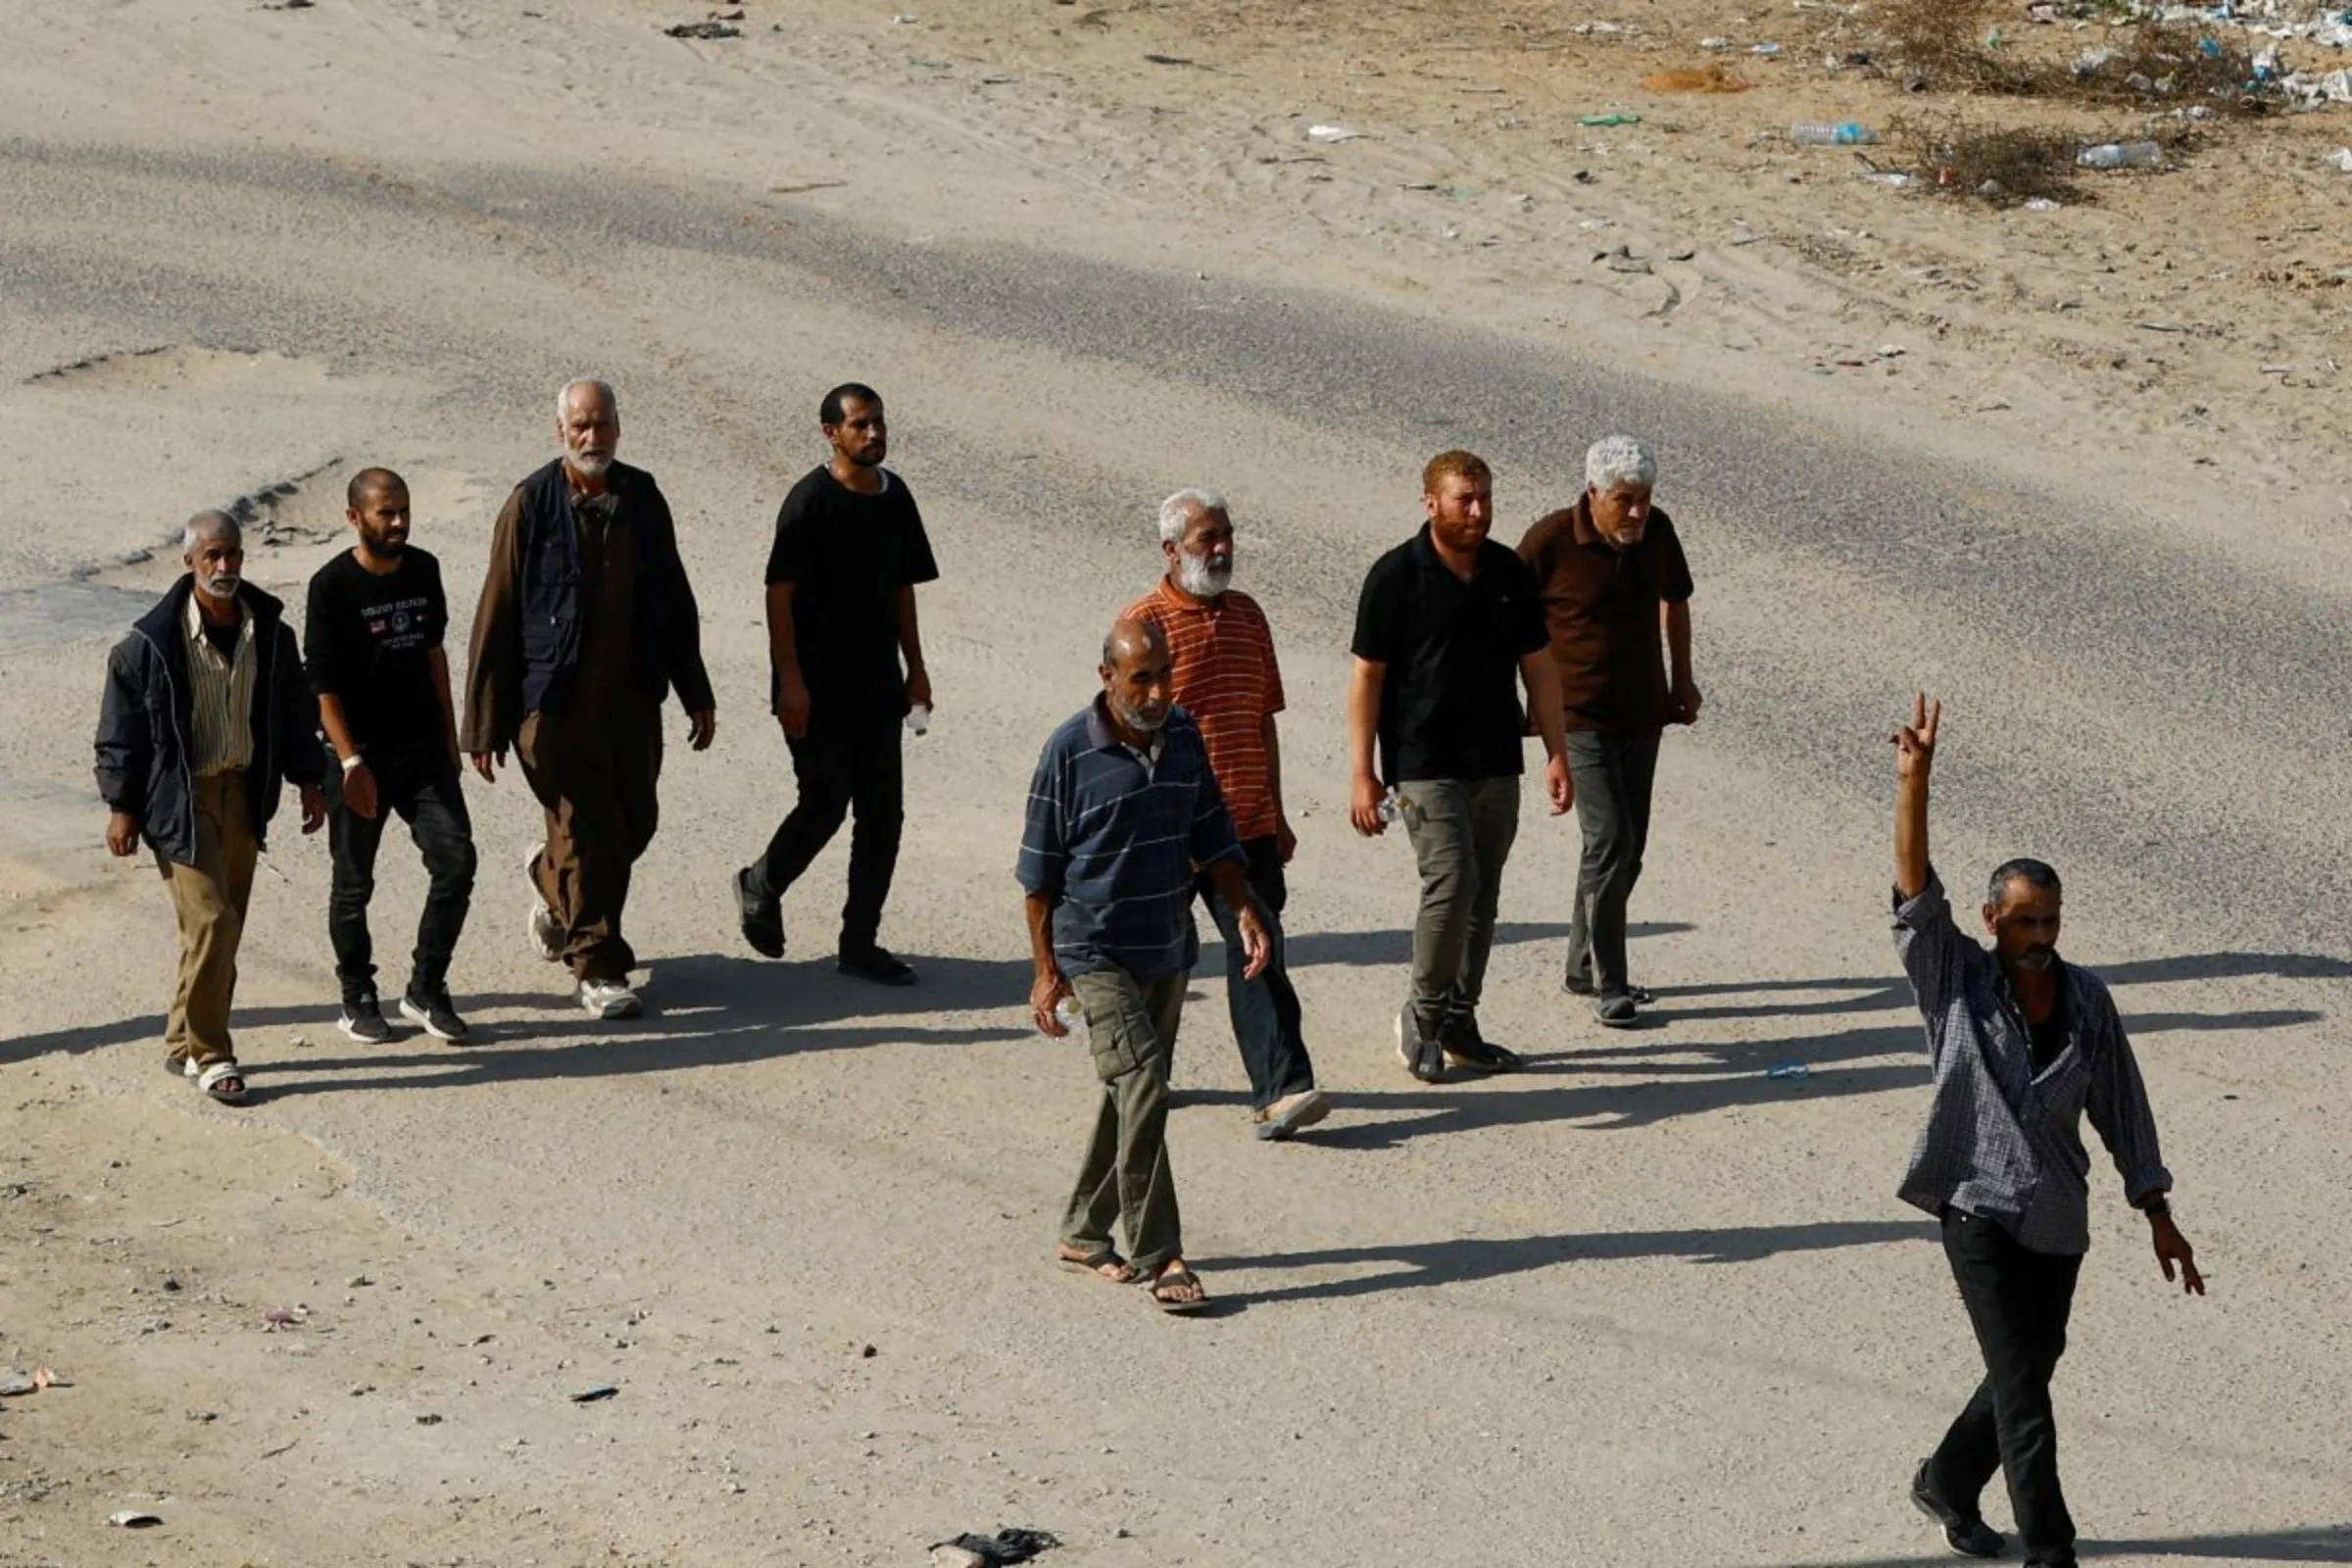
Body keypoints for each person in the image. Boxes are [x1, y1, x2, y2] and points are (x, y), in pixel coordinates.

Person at [1890, 694, 2203, 1568]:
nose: (2038, 936)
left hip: (2059, 1217)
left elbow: (2123, 1108)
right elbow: (1915, 896)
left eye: (2051, 920)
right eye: (2023, 920)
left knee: (2031, 1363)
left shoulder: (2088, 1001)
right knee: (2026, 1390)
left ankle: (1947, 1481)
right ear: (1991, 921)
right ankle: (2050, 1550)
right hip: (1977, 1208)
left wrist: (2158, 1211)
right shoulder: (1954, 979)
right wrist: (1913, 782)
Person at [1018, 619, 1273, 1314]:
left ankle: (1081, 1229)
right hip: (1094, 952)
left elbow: (1213, 831)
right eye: (1141, 678)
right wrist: (1046, 971)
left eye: (1164, 675)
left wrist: (1244, 910)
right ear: (1107, 676)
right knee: (1146, 1084)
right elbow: (1038, 879)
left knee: (1127, 1091)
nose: (1158, 691)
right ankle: (1162, 1254)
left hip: (1166, 945)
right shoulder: (1069, 752)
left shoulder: (1184, 736)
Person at [462, 379, 717, 1020]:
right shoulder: (531, 504)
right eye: (580, 425)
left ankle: (552, 881)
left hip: (632, 697)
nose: (591, 436)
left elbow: (674, 597)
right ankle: (598, 967)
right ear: (560, 432)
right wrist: (483, 722)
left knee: (633, 822)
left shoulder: (642, 498)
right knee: (585, 829)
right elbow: (496, 612)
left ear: (618, 430)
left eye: (601, 424)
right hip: (551, 703)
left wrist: (696, 691)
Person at [1348, 451, 1571, 1084]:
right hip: (1422, 764)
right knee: (1452, 881)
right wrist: (1362, 772)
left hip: (1497, 759)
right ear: (1431, 503)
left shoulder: (1507, 572)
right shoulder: (1395, 577)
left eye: (1484, 498)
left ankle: (1458, 1021)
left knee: (1484, 895)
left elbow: (1539, 666)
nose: (1477, 511)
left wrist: (1556, 751)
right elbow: (1367, 676)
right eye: (1463, 500)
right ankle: (1420, 1016)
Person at [95, 511, 325, 1103]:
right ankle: (211, 1053)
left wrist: (309, 778)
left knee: (222, 930)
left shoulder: (270, 631)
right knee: (212, 922)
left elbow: (294, 711)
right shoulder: (149, 644)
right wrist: (122, 807)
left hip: (244, 793)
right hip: (180, 799)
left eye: (233, 556)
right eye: (212, 557)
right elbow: (121, 732)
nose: (224, 568)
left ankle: (180, 1038)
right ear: (189, 562)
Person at [1121, 487, 1327, 1140]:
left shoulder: (1248, 616)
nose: (1222, 548)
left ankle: (1281, 1089)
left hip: (1245, 824)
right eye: (1208, 537)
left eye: (1226, 534)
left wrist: (1276, 810)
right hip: (1168, 828)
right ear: (1171, 549)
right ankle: (1138, 1073)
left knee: (1257, 945)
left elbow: (1260, 719)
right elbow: (1125, 736)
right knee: (1158, 958)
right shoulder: (1143, 628)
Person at [734, 382, 937, 985]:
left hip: (877, 684)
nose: (873, 434)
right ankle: (761, 881)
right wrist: (790, 683)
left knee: (883, 816)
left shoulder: (895, 497)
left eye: (878, 422)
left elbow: (903, 586)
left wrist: (916, 668)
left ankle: (860, 944)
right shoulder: (808, 504)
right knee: (825, 802)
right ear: (832, 434)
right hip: (815, 688)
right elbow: (779, 597)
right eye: (860, 425)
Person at [1516, 435, 1698, 1029]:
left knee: (1628, 849)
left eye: (1645, 498)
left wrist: (1683, 680)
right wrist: (1523, 706)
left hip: (1643, 713)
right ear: (1593, 494)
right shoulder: (1549, 542)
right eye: (1625, 500)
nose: (1638, 512)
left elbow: (1676, 600)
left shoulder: (1658, 532)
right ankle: (1609, 984)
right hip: (1576, 719)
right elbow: (1505, 623)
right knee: (1610, 841)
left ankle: (1582, 962)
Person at [306, 467, 478, 1044]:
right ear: (356, 518)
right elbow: (322, 688)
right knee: (353, 884)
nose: (400, 522)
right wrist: (351, 763)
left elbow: (434, 654)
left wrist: (451, 740)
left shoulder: (425, 569)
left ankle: (427, 987)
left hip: (423, 749)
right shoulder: (330, 587)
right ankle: (357, 994)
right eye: (387, 513)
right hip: (360, 757)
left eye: (404, 510)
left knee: (456, 860)